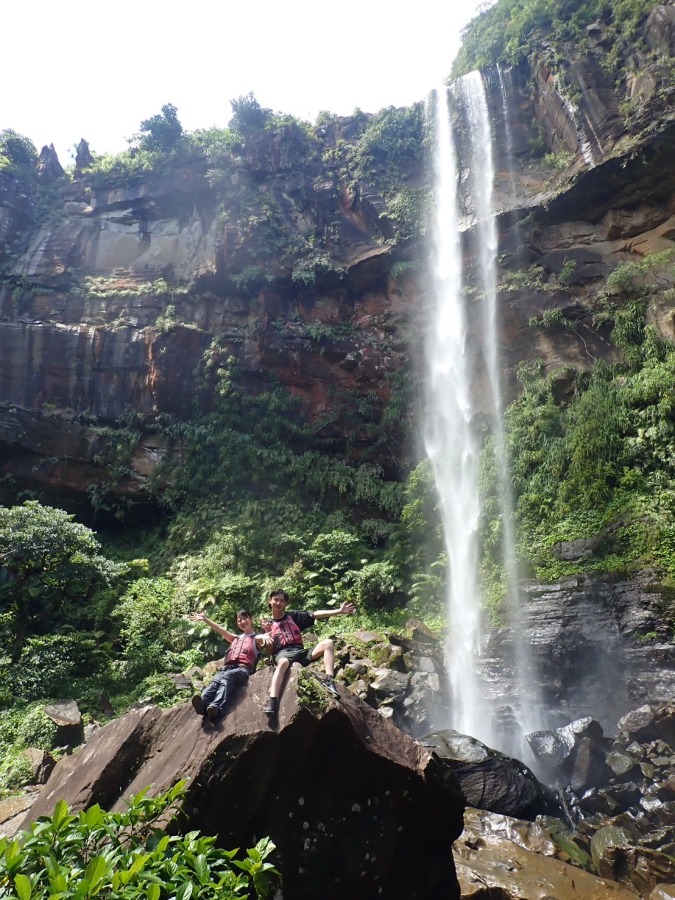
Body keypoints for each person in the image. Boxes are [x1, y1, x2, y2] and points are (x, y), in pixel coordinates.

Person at [261, 589, 356, 718]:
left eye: (282, 600)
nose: (278, 603)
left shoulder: (293, 616)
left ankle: (329, 680)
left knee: (328, 643)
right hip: (283, 654)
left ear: (286, 604)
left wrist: (338, 611)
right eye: (276, 599)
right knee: (283, 663)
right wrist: (268, 633)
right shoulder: (267, 624)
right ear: (270, 601)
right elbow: (270, 651)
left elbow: (315, 614)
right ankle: (273, 700)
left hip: (301, 653)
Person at [188, 609, 265, 721]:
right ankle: (203, 704)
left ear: (251, 619)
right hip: (226, 669)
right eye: (239, 620)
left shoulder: (257, 638)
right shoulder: (235, 638)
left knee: (227, 677)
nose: (242, 622)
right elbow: (219, 629)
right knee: (215, 681)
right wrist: (205, 619)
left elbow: (265, 639)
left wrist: (267, 633)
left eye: (245, 618)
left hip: (243, 670)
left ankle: (217, 707)